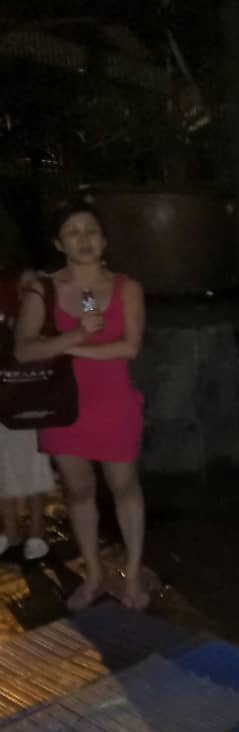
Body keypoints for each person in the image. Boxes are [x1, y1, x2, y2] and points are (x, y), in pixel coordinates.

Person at [15, 200, 148, 610]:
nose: (84, 239)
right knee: (78, 490)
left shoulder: (126, 288)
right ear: (58, 243)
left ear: (104, 241)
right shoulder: (44, 289)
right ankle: (92, 573)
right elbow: (23, 350)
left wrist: (69, 347)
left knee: (124, 486)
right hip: (63, 406)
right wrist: (74, 338)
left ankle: (133, 575)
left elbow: (128, 347)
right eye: (72, 232)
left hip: (113, 402)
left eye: (91, 231)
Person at [0, 270, 52, 562]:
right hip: (4, 390)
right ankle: (10, 529)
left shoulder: (47, 296)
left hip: (32, 392)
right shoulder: (6, 298)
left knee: (33, 460)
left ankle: (36, 528)